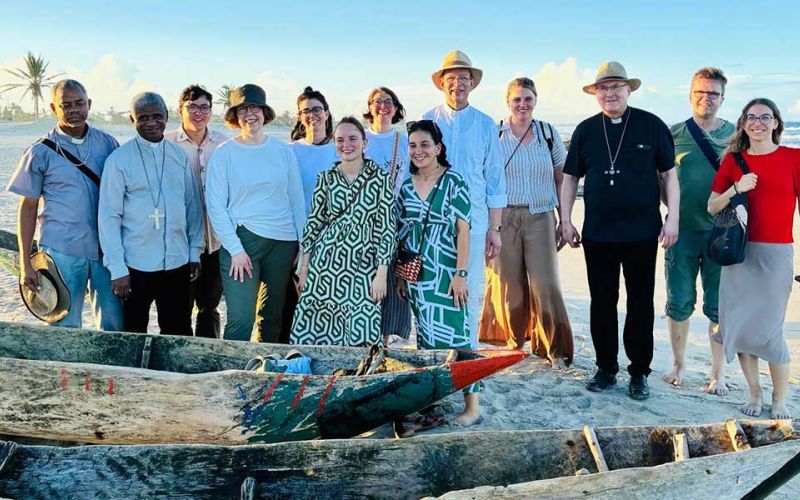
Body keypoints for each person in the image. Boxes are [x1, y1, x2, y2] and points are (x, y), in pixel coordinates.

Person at [561, 62, 679, 400]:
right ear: (595, 93)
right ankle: (606, 368)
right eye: (604, 87)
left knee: (640, 303)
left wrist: (673, 218)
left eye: (617, 86)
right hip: (598, 233)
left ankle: (639, 371)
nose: (610, 93)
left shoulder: (651, 125)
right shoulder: (585, 130)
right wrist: (566, 220)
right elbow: (570, 178)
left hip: (643, 232)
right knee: (602, 302)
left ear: (629, 90)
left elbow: (670, 176)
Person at [708, 98, 799, 419]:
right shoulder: (734, 161)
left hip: (776, 253)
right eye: (750, 118)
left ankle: (779, 400)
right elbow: (712, 206)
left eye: (764, 117)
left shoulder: (793, 158)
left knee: (770, 328)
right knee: (743, 328)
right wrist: (736, 188)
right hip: (739, 253)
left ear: (776, 122)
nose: (757, 123)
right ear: (743, 124)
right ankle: (755, 395)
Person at [7, 79, 123, 331]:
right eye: (66, 105)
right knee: (65, 325)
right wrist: (27, 262)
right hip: (62, 251)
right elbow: (28, 207)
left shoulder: (108, 144)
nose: (74, 110)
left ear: (89, 104)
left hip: (107, 250)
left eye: (80, 103)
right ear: (53, 108)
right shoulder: (40, 151)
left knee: (115, 325)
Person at [479, 77, 574, 368]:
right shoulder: (495, 133)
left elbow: (563, 177)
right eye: (517, 99)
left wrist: (565, 220)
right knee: (510, 284)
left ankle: (553, 348)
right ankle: (514, 343)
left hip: (541, 215)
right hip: (502, 216)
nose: (522, 104)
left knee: (546, 284)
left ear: (536, 100)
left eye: (527, 98)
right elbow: (484, 178)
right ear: (508, 102)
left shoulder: (547, 133)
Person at [206, 84, 305, 343]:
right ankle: (228, 376)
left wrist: (304, 248)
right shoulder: (224, 153)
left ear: (264, 112)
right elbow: (215, 206)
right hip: (243, 241)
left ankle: (265, 372)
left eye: (255, 108)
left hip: (284, 243)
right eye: (243, 109)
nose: (250, 114)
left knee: (273, 317)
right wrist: (236, 250)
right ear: (235, 116)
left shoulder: (284, 151)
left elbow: (296, 201)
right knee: (241, 319)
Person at [98, 92, 204, 335]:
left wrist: (194, 251)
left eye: (157, 116)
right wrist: (117, 269)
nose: (151, 122)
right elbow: (109, 216)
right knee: (134, 331)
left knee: (178, 330)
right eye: (142, 117)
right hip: (136, 265)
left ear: (167, 116)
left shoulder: (178, 156)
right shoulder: (119, 160)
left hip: (177, 262)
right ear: (131, 120)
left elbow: (192, 206)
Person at [396, 120, 478, 424]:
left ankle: (472, 407)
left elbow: (464, 232)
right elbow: (403, 235)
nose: (418, 151)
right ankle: (433, 399)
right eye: (413, 145)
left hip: (447, 272)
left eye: (425, 145)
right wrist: (401, 275)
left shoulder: (455, 182)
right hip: (419, 274)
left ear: (438, 148)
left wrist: (461, 274)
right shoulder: (406, 186)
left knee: (459, 336)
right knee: (426, 339)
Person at [423, 50, 506, 346]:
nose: (457, 84)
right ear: (441, 83)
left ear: (472, 83)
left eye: (463, 78)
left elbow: (495, 179)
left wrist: (496, 230)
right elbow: (415, 168)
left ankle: (466, 351)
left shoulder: (485, 124)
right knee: (433, 287)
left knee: (468, 289)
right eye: (451, 78)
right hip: (433, 220)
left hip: (475, 222)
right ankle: (434, 350)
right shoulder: (428, 120)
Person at [291, 117, 395, 346]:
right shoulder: (326, 178)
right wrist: (305, 269)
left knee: (363, 324)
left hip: (364, 262)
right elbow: (314, 224)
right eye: (340, 140)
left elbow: (386, 228)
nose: (346, 144)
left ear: (364, 142)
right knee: (317, 327)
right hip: (325, 263)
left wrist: (381, 273)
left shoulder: (380, 179)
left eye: (352, 138)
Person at [662, 68, 734, 394]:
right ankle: (679, 364)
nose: (707, 99)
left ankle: (718, 373)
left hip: (724, 233)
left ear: (722, 97)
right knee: (679, 302)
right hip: (682, 231)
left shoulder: (736, 135)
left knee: (719, 307)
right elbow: (659, 179)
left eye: (714, 94)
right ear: (690, 95)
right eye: (701, 93)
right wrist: (670, 215)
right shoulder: (674, 133)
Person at [165, 84, 228, 339]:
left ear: (211, 111)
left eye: (204, 107)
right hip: (179, 237)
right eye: (192, 107)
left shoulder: (224, 143)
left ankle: (208, 352)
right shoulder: (166, 142)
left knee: (210, 304)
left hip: (216, 237)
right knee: (179, 304)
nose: (198, 113)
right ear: (180, 109)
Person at [362, 86, 412, 344]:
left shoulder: (404, 141)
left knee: (393, 279)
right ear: (369, 107)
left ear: (396, 107)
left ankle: (383, 338)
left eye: (388, 101)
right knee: (365, 275)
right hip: (364, 219)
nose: (383, 106)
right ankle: (364, 334)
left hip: (396, 216)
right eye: (377, 102)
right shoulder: (361, 139)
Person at [289, 86, 339, 213]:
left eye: (317, 109)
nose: (312, 115)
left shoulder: (341, 151)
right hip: (299, 227)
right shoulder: (290, 151)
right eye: (306, 111)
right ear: (300, 117)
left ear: (326, 114)